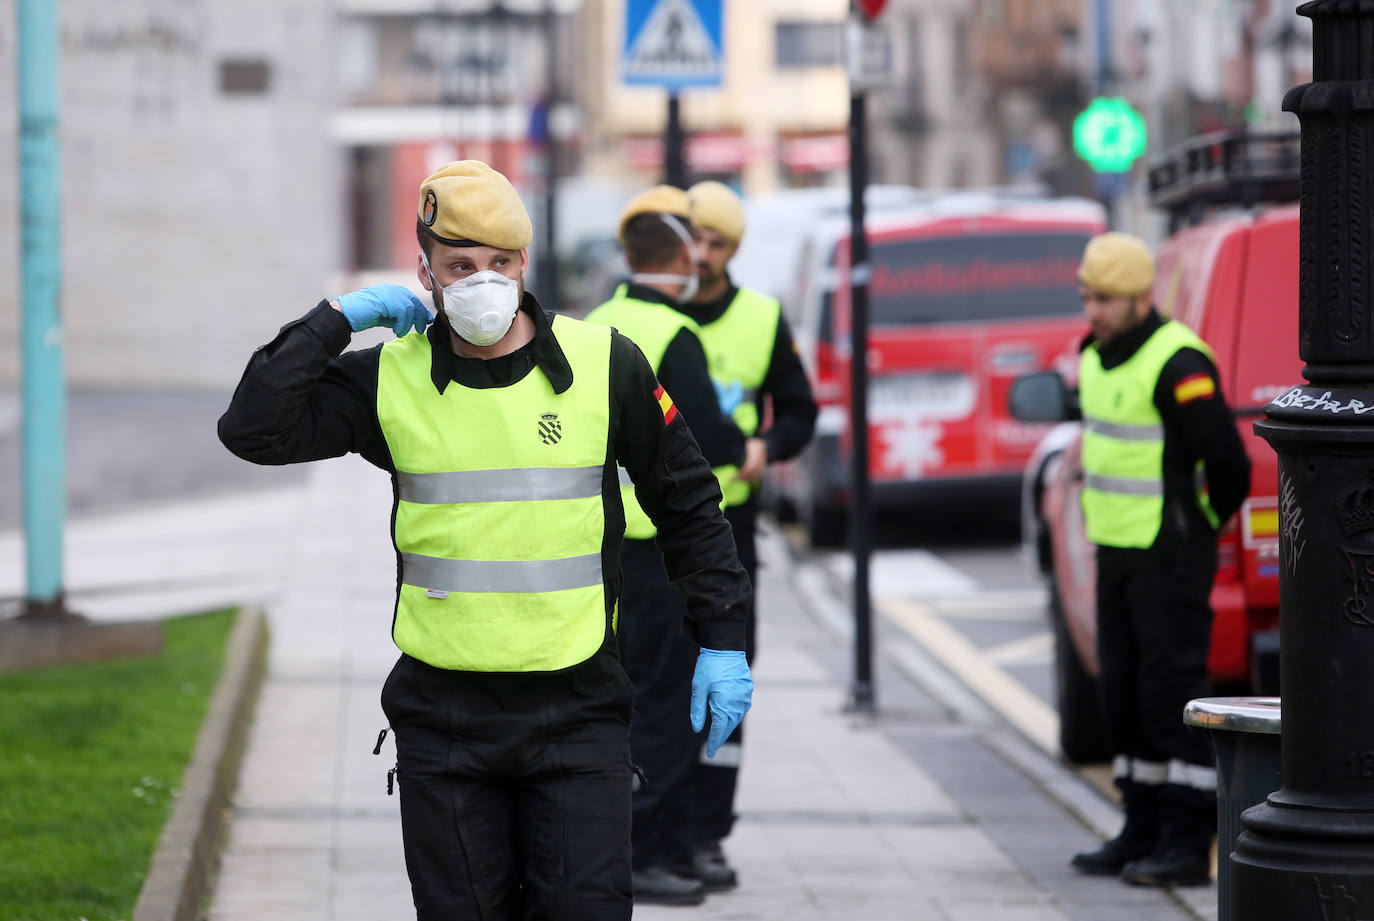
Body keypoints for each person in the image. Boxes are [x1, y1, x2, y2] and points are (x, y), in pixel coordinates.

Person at [216, 160, 754, 921]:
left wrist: (721, 636)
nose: (482, 282)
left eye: (499, 263)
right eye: (459, 266)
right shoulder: (391, 379)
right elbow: (252, 429)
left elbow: (689, 500)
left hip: (577, 708)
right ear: (425, 273)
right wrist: (341, 316)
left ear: (525, 264)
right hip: (446, 720)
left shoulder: (607, 366)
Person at [584, 185, 751, 906]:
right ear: (684, 255)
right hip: (661, 554)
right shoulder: (675, 335)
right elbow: (707, 438)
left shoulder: (594, 324)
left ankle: (662, 842)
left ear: (628, 256)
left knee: (635, 701)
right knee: (665, 708)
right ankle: (646, 849)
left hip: (605, 547)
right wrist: (743, 438)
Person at [1067, 231, 1251, 887]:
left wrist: (1197, 524)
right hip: (1116, 552)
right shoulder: (1095, 353)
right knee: (1121, 695)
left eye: (1107, 301)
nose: (1094, 312)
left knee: (1169, 697)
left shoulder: (1178, 361)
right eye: (1088, 298)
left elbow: (1228, 461)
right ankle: (1138, 827)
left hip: (1169, 556)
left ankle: (1184, 839)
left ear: (1142, 297)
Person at [681, 180, 818, 886]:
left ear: (733, 250)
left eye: (714, 244)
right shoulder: (647, 311)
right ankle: (661, 827)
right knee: (656, 682)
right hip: (650, 531)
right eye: (691, 239)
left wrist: (767, 444)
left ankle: (708, 832)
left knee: (724, 687)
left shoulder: (762, 319)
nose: (700, 256)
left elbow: (801, 411)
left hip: (729, 528)